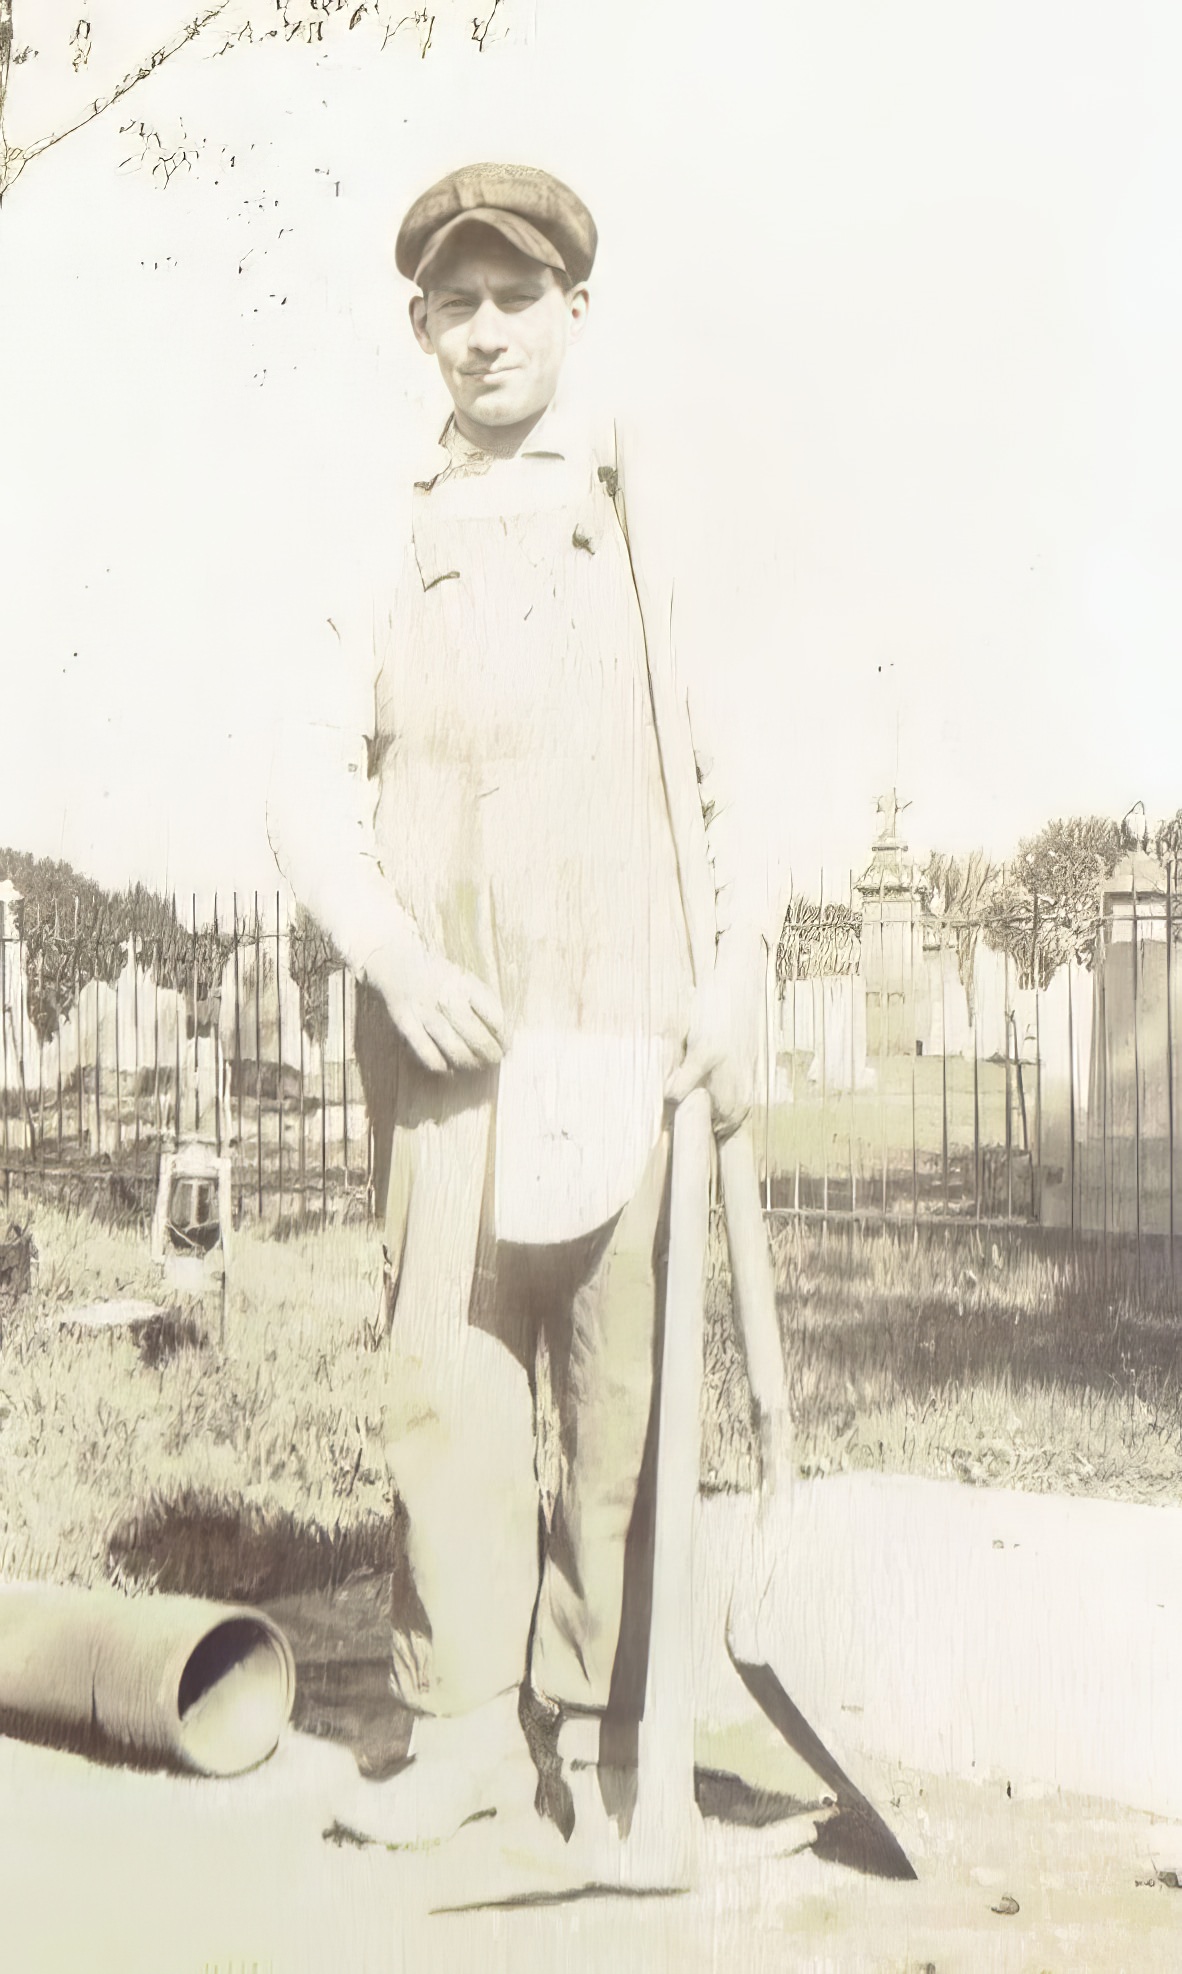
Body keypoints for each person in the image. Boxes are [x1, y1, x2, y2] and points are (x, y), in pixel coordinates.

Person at [269, 161, 775, 1855]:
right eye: (454, 304)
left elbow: (736, 776)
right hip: (446, 1042)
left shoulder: (645, 509)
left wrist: (738, 968)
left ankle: (622, 1730)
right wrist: (395, 961)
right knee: (452, 1387)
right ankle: (469, 1729)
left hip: (626, 1026)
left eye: (516, 299)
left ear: (573, 309)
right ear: (421, 325)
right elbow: (302, 783)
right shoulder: (378, 522)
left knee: (620, 1391)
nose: (484, 333)